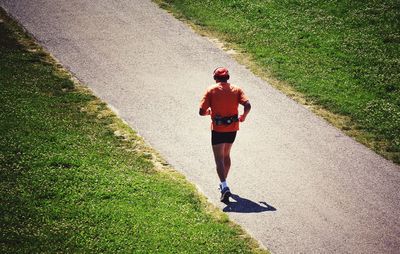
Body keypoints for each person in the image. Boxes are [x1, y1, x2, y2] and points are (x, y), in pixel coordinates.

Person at [199, 67, 251, 202]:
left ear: (215, 78)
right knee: (226, 155)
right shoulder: (237, 89)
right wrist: (244, 116)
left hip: (218, 129)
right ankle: (224, 183)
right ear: (228, 78)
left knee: (219, 158)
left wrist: (209, 113)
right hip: (232, 128)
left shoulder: (211, 90)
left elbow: (201, 111)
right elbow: (248, 105)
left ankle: (224, 186)